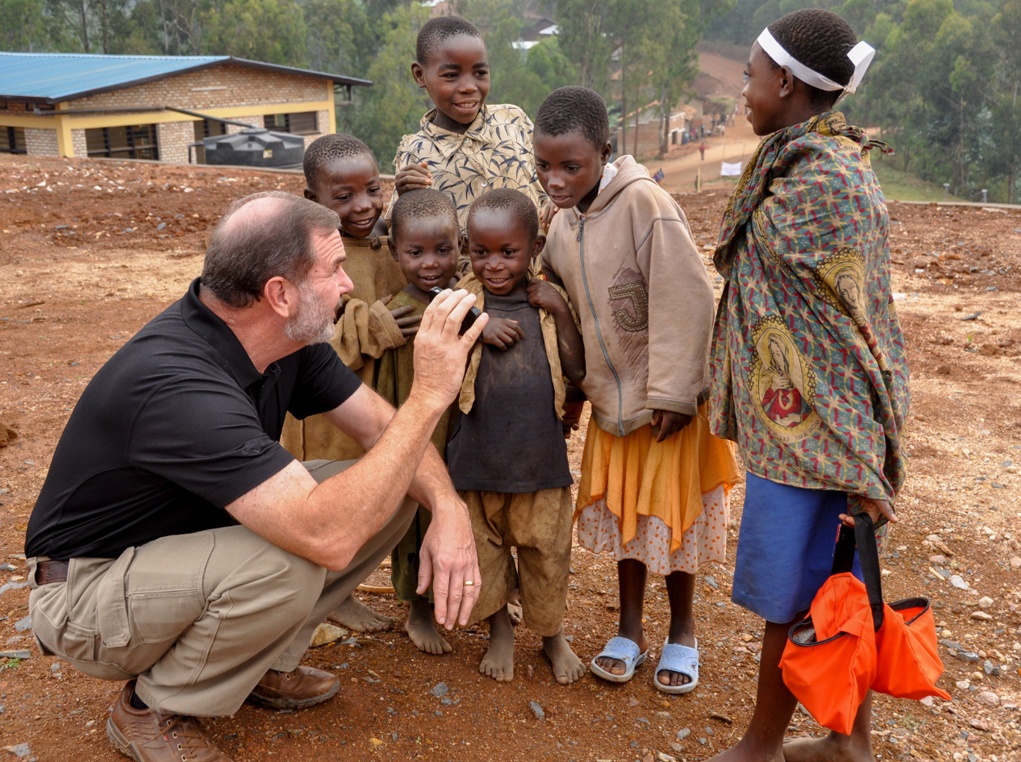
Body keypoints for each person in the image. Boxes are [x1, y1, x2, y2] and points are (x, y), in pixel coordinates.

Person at [24, 191, 487, 762]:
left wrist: (448, 507)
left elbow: (379, 429)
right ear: (280, 294)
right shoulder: (179, 385)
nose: (348, 286)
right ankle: (151, 710)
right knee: (293, 559)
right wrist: (432, 394)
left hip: (171, 552)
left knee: (390, 489)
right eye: (336, 269)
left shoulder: (287, 337)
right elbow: (328, 537)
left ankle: (258, 661)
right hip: (85, 595)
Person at [706, 9, 906, 762]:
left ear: (785, 82)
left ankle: (761, 746)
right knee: (835, 588)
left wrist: (863, 446)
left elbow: (852, 329)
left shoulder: (825, 180)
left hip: (824, 431)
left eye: (750, 78)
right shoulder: (801, 163)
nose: (744, 94)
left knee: (806, 595)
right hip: (801, 421)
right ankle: (844, 743)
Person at [533, 86, 740, 694]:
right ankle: (628, 628)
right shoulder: (563, 225)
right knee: (629, 519)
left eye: (571, 165)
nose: (555, 178)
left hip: (666, 407)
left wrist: (676, 391)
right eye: (543, 165)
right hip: (610, 405)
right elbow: (565, 305)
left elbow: (688, 295)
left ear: (605, 152)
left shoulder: (645, 203)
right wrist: (574, 389)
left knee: (669, 521)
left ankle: (683, 632)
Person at [448, 188, 587, 685]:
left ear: (535, 246)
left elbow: (576, 370)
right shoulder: (459, 303)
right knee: (483, 553)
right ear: (467, 248)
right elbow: (433, 338)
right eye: (481, 252)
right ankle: (499, 631)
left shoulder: (547, 301)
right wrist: (475, 322)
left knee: (546, 554)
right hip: (476, 462)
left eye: (509, 252)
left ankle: (552, 636)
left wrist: (564, 311)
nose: (494, 264)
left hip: (539, 462)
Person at [280, 133, 415, 634]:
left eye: (372, 190)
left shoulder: (385, 244)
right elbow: (307, 335)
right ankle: (316, 605)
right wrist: (372, 326)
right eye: (344, 197)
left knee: (367, 494)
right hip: (323, 415)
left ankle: (342, 592)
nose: (364, 206)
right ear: (313, 201)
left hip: (372, 399)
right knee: (329, 502)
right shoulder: (300, 258)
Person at [379, 188, 462, 655]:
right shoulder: (399, 314)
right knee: (413, 524)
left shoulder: (466, 305)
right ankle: (418, 609)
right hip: (413, 440)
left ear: (461, 247)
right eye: (415, 252)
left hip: (460, 438)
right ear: (394, 252)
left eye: (443, 249)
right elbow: (387, 390)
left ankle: (478, 593)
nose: (430, 263)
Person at [388, 15, 546, 247]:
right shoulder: (415, 153)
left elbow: (553, 175)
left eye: (480, 73)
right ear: (420, 75)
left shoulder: (513, 120)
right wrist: (404, 198)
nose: (469, 87)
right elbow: (402, 235)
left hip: (544, 276)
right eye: (451, 76)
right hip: (465, 282)